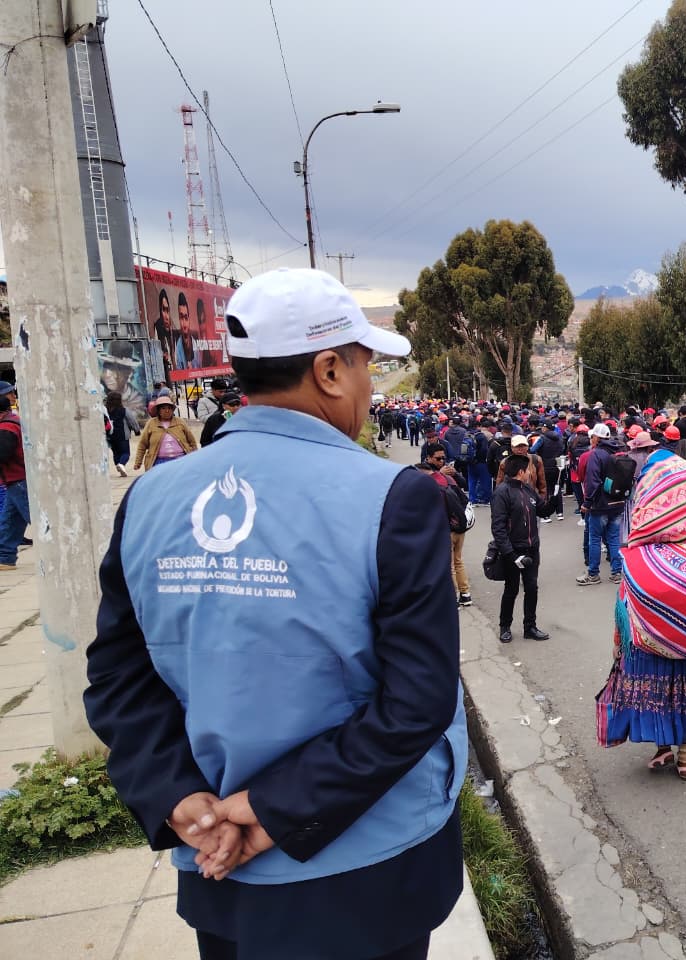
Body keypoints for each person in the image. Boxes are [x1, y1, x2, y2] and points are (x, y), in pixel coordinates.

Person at [84, 266, 465, 959]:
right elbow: (418, 700)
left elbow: (117, 678)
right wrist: (270, 809)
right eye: (364, 365)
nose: (369, 387)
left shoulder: (148, 500)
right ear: (329, 371)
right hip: (369, 873)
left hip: (219, 864)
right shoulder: (393, 498)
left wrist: (180, 799)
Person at [596, 455, 686, 781]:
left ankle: (663, 746)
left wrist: (618, 641)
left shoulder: (639, 556)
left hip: (651, 648)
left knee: (658, 694)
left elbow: (624, 604)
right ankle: (685, 757)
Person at [490, 453, 553, 642]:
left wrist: (554, 501)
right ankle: (505, 626)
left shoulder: (528, 490)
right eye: (527, 470)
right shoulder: (502, 493)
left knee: (532, 588)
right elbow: (498, 528)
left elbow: (542, 510)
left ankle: (530, 627)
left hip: (532, 548)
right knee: (511, 589)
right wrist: (510, 554)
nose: (529, 473)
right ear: (520, 472)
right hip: (513, 551)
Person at [420, 443, 473, 608]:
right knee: (456, 561)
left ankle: (456, 596)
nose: (442, 461)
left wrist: (454, 473)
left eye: (443, 458)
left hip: (449, 527)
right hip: (456, 524)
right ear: (428, 458)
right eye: (438, 459)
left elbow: (464, 485)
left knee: (451, 563)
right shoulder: (430, 475)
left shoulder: (440, 477)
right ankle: (464, 594)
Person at [579, 424, 626, 586]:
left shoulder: (596, 455)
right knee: (614, 538)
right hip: (618, 502)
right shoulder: (619, 451)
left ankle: (593, 574)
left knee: (595, 539)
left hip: (600, 505)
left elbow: (592, 481)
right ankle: (616, 573)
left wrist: (587, 502)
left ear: (596, 438)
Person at [0, 384, 30, 570]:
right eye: (9, 393)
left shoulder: (7, 427)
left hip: (19, 479)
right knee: (10, 521)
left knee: (37, 518)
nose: (13, 396)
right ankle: (5, 557)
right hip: (15, 480)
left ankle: (63, 548)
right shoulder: (10, 421)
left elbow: (2, 454)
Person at [133, 396, 197, 470]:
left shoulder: (180, 422)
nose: (167, 411)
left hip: (181, 459)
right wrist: (138, 462)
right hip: (159, 462)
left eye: (169, 408)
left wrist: (195, 458)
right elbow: (142, 445)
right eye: (163, 408)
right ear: (158, 410)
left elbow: (192, 442)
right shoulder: (151, 423)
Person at [105, 390, 141, 477]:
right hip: (122, 435)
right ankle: (121, 464)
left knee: (116, 453)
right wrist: (137, 430)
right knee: (125, 453)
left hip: (110, 436)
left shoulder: (105, 411)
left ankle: (119, 466)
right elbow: (132, 420)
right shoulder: (124, 410)